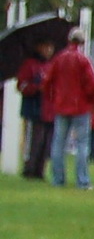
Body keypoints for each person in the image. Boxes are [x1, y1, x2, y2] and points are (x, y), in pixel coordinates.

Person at [42, 27, 94, 189]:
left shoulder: (59, 59)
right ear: (82, 42)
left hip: (61, 105)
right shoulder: (83, 60)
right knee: (82, 143)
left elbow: (47, 81)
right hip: (81, 106)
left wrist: (52, 99)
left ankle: (58, 179)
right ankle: (82, 180)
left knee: (58, 143)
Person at [16, 40, 56, 179]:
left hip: (49, 111)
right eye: (46, 46)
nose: (49, 50)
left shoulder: (52, 65)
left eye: (51, 47)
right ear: (39, 47)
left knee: (46, 142)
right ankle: (29, 168)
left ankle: (40, 170)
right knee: (34, 140)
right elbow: (21, 86)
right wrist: (35, 88)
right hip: (33, 109)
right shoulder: (30, 65)